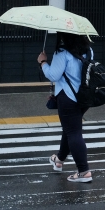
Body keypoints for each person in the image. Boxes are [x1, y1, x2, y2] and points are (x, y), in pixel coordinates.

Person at [38, 32, 93, 183]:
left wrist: (43, 62)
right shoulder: (88, 50)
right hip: (84, 97)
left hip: (68, 98)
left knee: (73, 132)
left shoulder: (62, 53)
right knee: (70, 129)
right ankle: (59, 159)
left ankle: (84, 171)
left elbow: (53, 75)